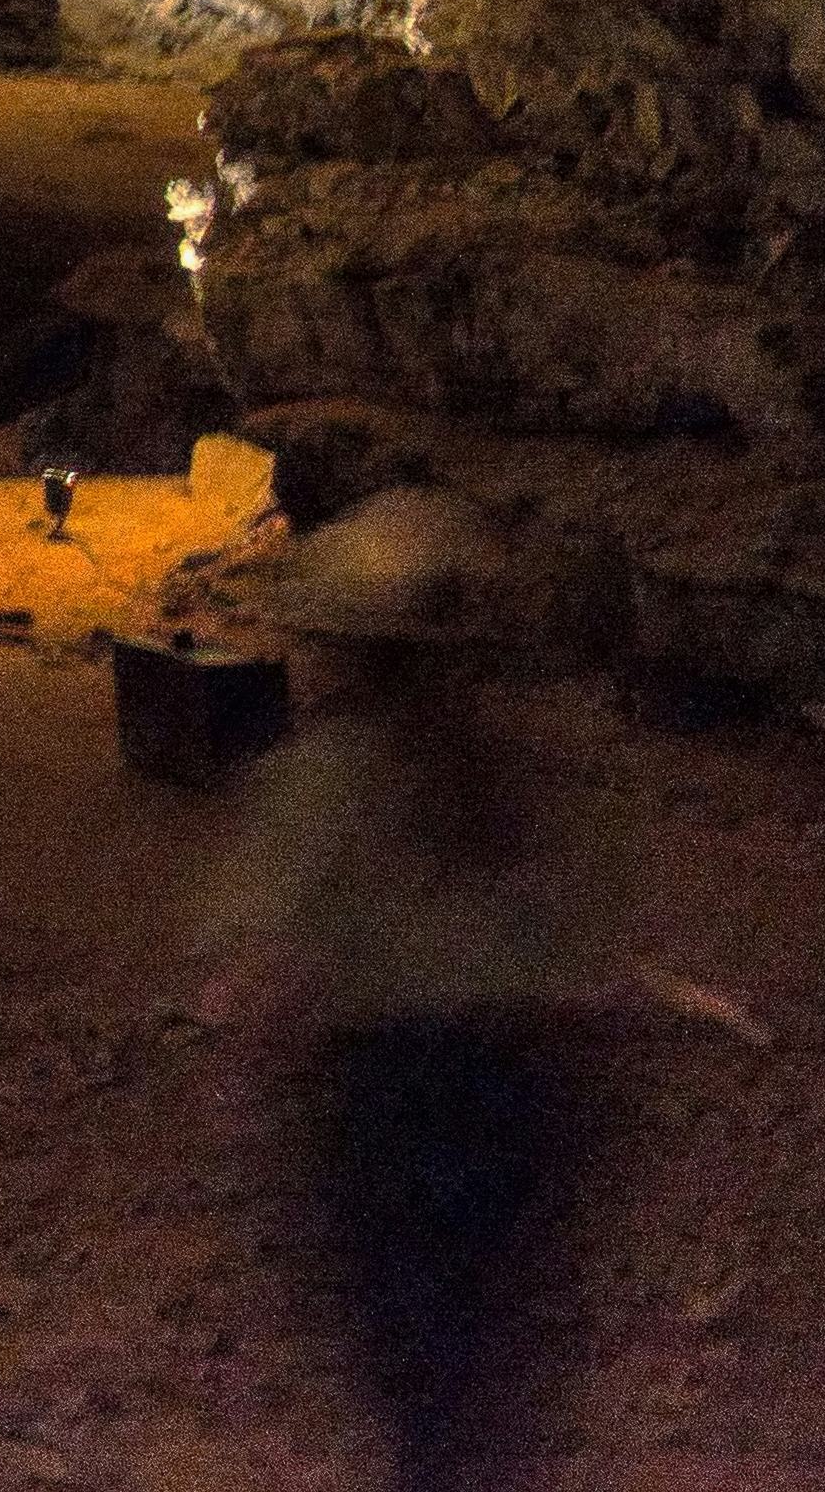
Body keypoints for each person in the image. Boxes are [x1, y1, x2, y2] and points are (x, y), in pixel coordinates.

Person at [194, 490, 602, 1489]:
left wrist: (245, 1075)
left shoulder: (325, 778)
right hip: (519, 1093)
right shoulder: (522, 779)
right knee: (490, 1374)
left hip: (391, 1100)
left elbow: (259, 966)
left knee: (414, 1376)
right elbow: (584, 953)